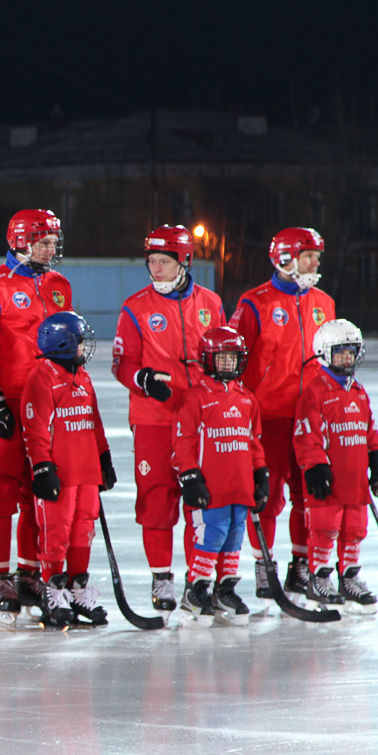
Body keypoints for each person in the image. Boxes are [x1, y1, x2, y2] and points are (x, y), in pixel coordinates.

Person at [0, 209, 73, 624]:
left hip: (48, 402)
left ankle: (29, 574)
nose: (50, 249)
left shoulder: (59, 284)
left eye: (52, 241)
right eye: (43, 241)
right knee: (1, 490)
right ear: (20, 241)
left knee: (38, 488)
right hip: (8, 400)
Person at [111, 224, 225, 614]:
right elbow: (122, 362)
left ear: (184, 261)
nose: (156, 269)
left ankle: (199, 581)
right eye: (152, 262)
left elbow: (222, 355)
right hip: (154, 418)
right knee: (158, 500)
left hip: (200, 419)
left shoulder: (211, 302)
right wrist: (140, 379)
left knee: (201, 500)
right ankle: (162, 579)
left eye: (164, 262)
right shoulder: (135, 306)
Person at [230, 228, 335, 598]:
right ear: (285, 259)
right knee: (267, 495)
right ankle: (264, 565)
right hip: (269, 414)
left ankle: (301, 566)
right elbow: (233, 361)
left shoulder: (324, 301)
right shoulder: (254, 302)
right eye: (309, 256)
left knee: (310, 494)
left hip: (311, 416)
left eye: (316, 256)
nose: (316, 263)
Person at [19, 311, 115, 628]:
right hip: (60, 473)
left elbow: (94, 423)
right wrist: (43, 467)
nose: (84, 347)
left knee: (82, 533)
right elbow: (35, 428)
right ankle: (53, 591)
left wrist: (104, 458)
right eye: (78, 341)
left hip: (86, 472)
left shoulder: (83, 377)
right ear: (61, 344)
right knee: (56, 533)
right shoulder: (42, 376)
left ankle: (76, 589)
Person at [171, 326, 269, 628]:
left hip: (240, 486)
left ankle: (224, 590)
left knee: (234, 537)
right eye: (222, 358)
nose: (229, 364)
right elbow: (183, 441)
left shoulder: (247, 399)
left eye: (233, 358)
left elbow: (253, 442)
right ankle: (195, 590)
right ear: (207, 359)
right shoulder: (196, 398)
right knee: (210, 536)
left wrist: (260, 475)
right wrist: (190, 477)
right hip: (211, 487)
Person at [293, 319, 378, 614]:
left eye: (351, 351)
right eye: (340, 352)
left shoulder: (358, 391)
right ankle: (319, 579)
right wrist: (315, 465)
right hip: (328, 479)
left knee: (354, 529)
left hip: (355, 479)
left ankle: (349, 578)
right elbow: (307, 434)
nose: (347, 358)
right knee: (325, 528)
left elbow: (369, 431)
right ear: (323, 354)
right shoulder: (315, 391)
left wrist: (377, 462)